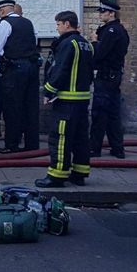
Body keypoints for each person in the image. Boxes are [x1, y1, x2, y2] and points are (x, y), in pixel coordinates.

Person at [36, 11, 94, 188]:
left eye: (59, 24)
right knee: (80, 138)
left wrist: (48, 91)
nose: (57, 27)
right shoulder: (86, 44)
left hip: (67, 100)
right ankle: (79, 173)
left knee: (60, 138)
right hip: (82, 99)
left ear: (67, 24)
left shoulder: (68, 44)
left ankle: (57, 175)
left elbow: (60, 69)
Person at [0, 0, 40, 154]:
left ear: (2, 11)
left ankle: (12, 144)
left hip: (14, 70)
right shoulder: (28, 23)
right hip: (31, 68)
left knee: (12, 107)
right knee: (30, 107)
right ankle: (32, 143)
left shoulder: (5, 24)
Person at [90, 0, 130, 159]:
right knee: (113, 113)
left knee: (100, 113)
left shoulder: (111, 31)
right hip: (113, 76)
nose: (100, 15)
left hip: (106, 76)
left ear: (111, 13)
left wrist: (94, 42)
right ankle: (117, 148)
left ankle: (94, 148)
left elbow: (100, 53)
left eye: (103, 12)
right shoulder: (117, 30)